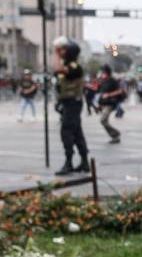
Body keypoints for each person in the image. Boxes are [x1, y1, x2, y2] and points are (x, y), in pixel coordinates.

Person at [52, 37, 90, 175]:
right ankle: (84, 162)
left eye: (63, 50)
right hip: (68, 102)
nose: (60, 52)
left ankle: (69, 162)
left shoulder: (74, 66)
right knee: (77, 131)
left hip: (73, 103)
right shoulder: (69, 65)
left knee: (66, 131)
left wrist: (56, 54)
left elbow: (58, 70)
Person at [96, 65, 125, 144]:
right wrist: (99, 104)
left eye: (103, 72)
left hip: (110, 103)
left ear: (106, 73)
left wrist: (109, 95)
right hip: (104, 104)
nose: (101, 74)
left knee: (102, 120)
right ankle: (115, 137)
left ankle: (115, 134)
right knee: (104, 121)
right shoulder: (103, 81)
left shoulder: (113, 80)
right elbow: (101, 94)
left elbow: (119, 91)